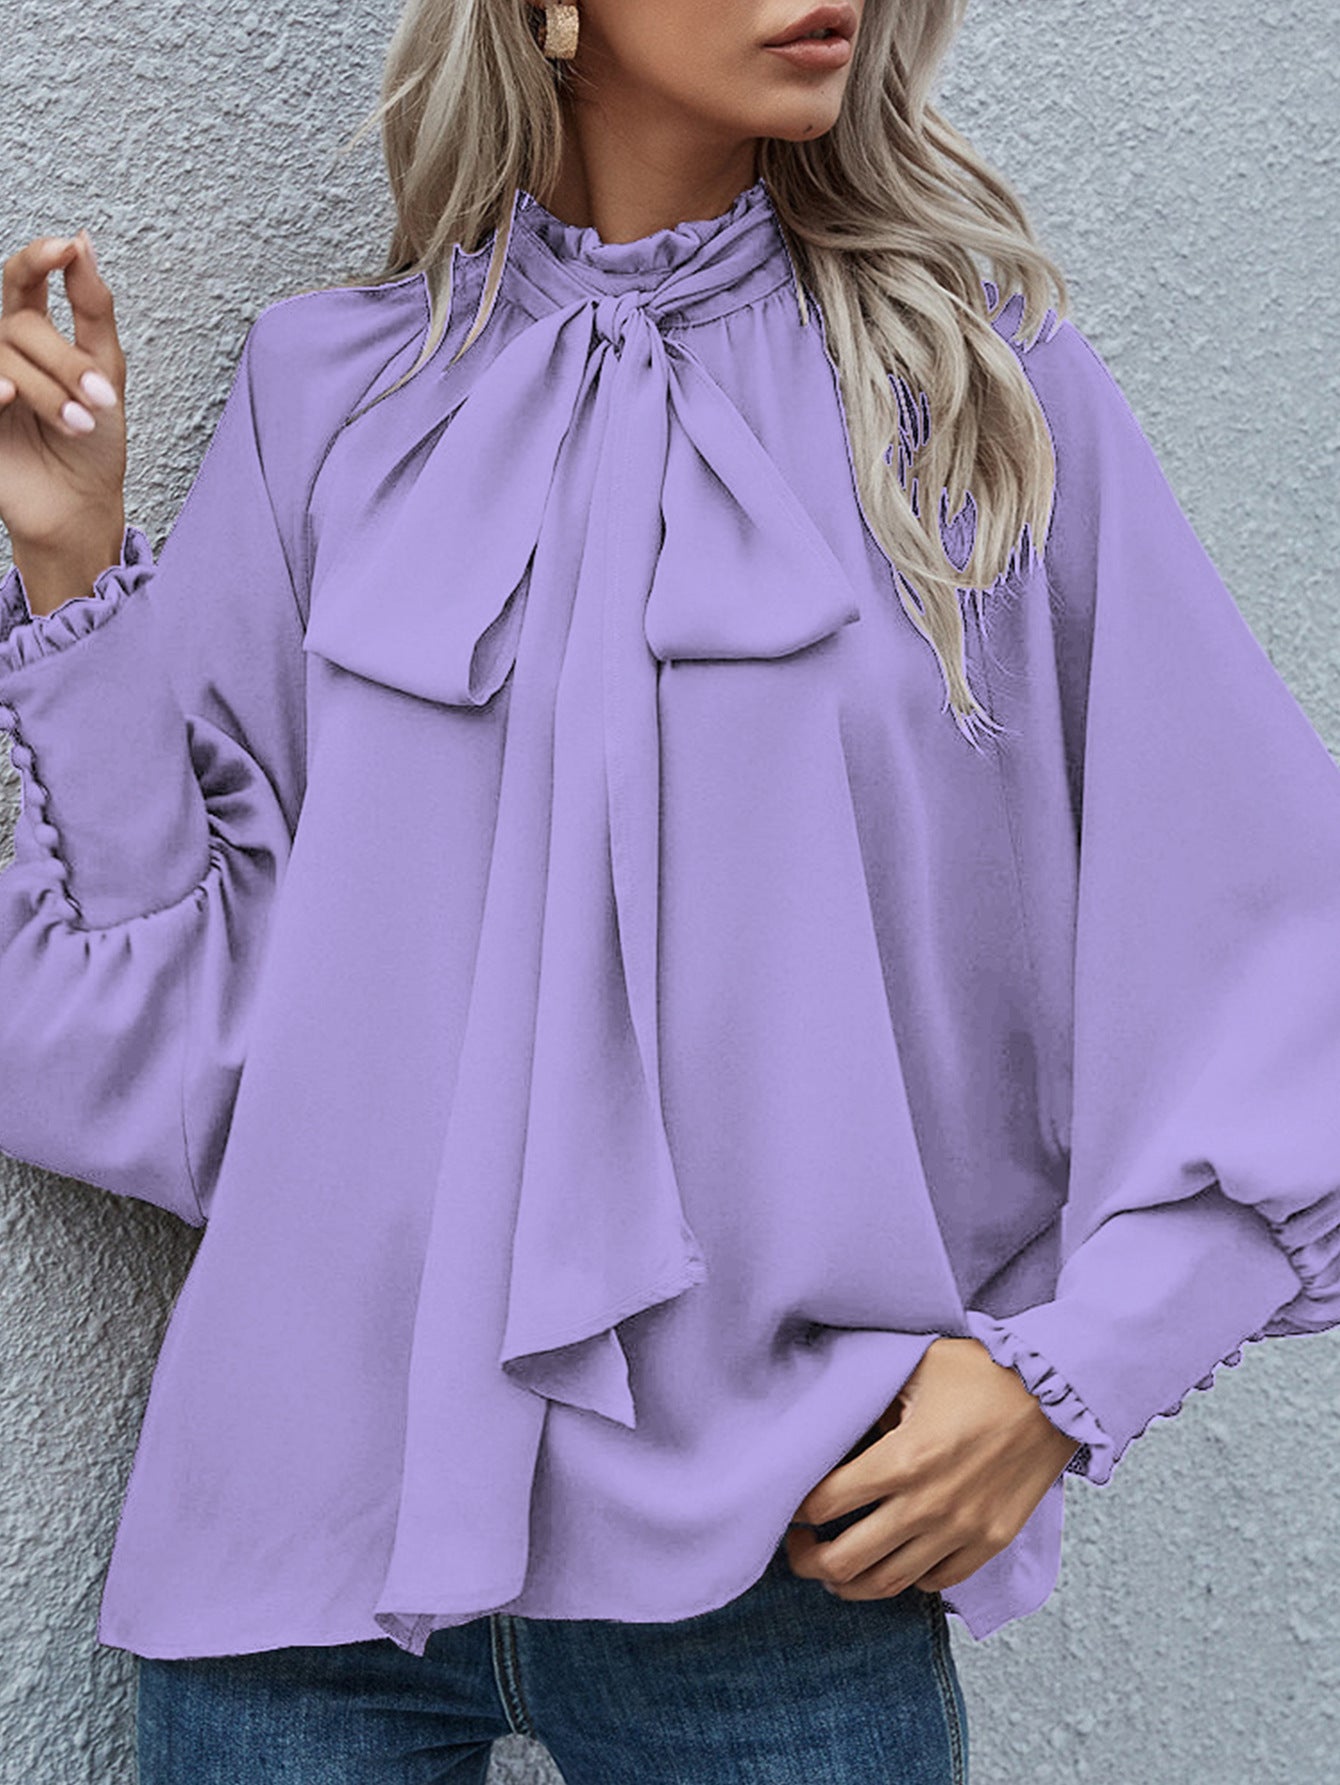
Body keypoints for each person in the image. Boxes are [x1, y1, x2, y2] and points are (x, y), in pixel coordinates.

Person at [1, 1, 1336, 1780]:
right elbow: (197, 1042)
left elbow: (1274, 939)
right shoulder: (328, 392)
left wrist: (1071, 1372)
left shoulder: (983, 399)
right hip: (296, 1558)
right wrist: (75, 564)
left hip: (783, 1570)